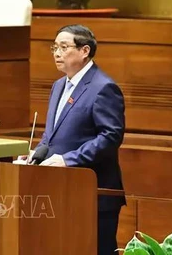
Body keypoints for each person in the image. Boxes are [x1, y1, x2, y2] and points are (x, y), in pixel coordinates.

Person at [31, 24, 126, 255]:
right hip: (60, 192)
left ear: (85, 51)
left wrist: (68, 160)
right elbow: (51, 133)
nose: (57, 53)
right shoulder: (58, 85)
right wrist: (38, 153)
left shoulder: (104, 87)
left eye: (64, 47)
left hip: (93, 194)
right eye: (54, 47)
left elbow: (110, 137)